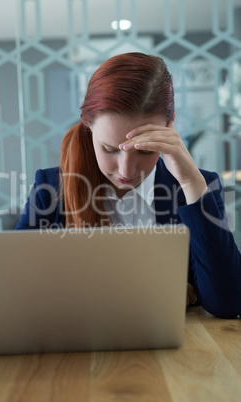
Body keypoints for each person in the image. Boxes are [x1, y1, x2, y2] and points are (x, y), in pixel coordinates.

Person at [16, 52, 241, 319]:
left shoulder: (199, 186)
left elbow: (227, 303)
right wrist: (151, 292)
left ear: (170, 126)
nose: (127, 171)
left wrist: (191, 183)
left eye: (145, 151)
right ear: (88, 127)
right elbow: (17, 291)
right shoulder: (51, 188)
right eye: (110, 149)